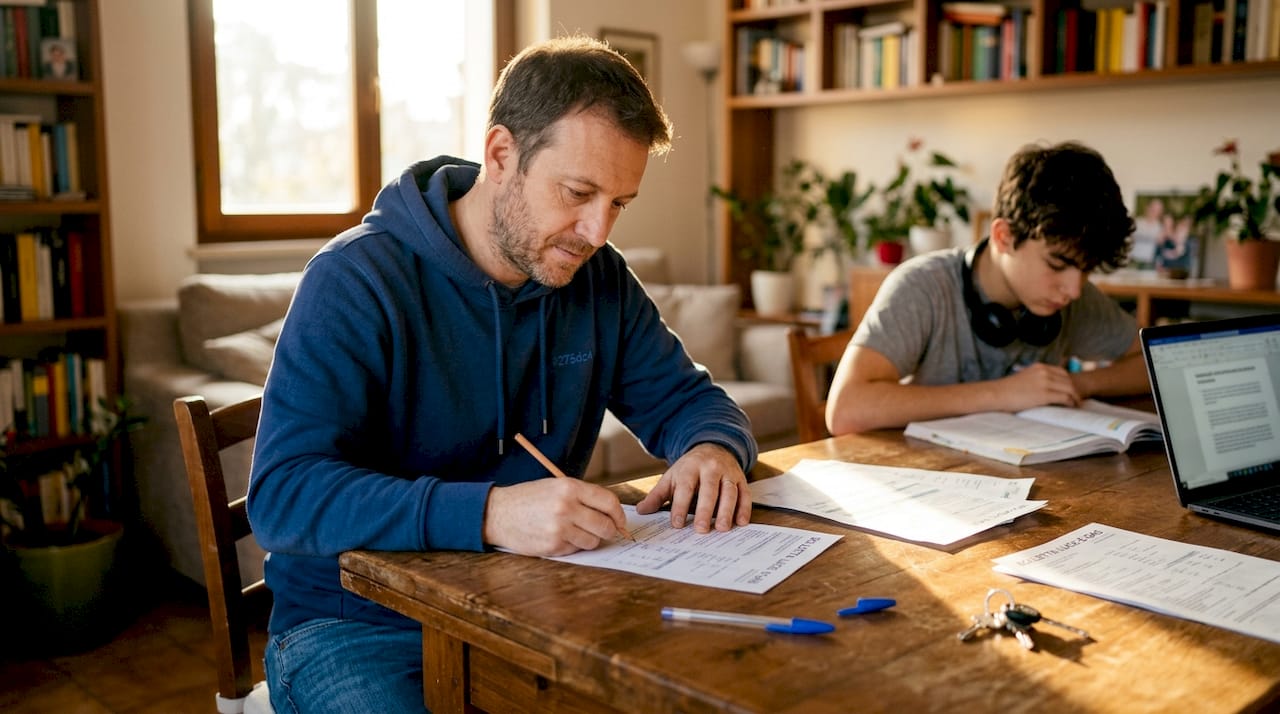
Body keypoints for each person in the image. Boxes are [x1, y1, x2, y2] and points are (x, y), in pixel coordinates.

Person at [247, 35, 757, 712]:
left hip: (534, 608)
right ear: (500, 154)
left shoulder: (597, 279)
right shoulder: (354, 280)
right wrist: (488, 513)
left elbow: (689, 399)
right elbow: (283, 494)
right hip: (355, 628)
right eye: (578, 192)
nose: (597, 230)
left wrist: (712, 448)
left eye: (619, 203)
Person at [826, 140, 1149, 435]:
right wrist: (1003, 393)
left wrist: (1075, 384)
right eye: (1056, 264)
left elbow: (1154, 364)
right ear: (1003, 237)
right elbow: (846, 409)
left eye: (1086, 269)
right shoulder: (923, 286)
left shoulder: (1071, 295)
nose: (1074, 290)